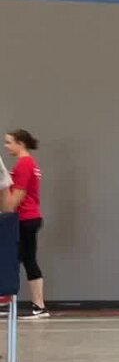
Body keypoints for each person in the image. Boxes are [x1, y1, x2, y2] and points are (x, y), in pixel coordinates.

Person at [2, 130, 47, 319]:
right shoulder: (28, 163)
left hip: (25, 219)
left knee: (22, 259)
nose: (6, 146)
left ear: (20, 143)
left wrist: (3, 190)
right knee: (22, 259)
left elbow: (13, 201)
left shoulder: (24, 164)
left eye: (9, 142)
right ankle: (35, 305)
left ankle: (39, 306)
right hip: (28, 218)